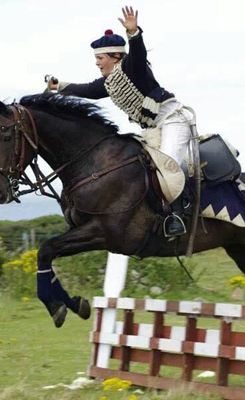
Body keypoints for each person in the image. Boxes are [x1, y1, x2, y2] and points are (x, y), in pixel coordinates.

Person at [48, 6, 191, 237]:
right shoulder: (109, 83)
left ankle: (176, 216)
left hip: (173, 121)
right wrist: (59, 87)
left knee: (167, 166)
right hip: (152, 129)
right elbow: (86, 90)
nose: (96, 63)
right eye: (95, 58)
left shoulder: (132, 68)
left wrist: (134, 34)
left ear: (115, 57)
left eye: (100, 58)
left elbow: (138, 54)